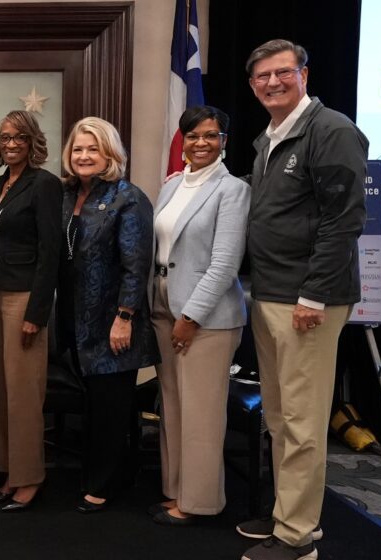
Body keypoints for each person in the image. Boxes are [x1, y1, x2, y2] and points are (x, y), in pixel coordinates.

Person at [236, 39, 367, 560]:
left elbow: (343, 220)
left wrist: (314, 295)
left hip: (307, 300)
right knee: (279, 417)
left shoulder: (331, 131)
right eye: (262, 76)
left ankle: (296, 538)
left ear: (304, 75)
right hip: (270, 293)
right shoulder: (268, 138)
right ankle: (288, 513)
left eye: (282, 72)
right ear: (252, 85)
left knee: (302, 421)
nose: (272, 82)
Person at [148, 106, 250, 526]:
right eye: (193, 136)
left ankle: (200, 501)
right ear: (183, 140)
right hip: (162, 308)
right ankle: (176, 489)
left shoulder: (232, 190)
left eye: (211, 135)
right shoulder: (173, 185)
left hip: (206, 319)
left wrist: (191, 316)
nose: (201, 143)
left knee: (202, 414)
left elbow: (225, 263)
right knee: (172, 406)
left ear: (224, 140)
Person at [57, 116, 159, 514]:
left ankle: (104, 484)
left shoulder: (127, 197)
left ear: (110, 154)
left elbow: (137, 264)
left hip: (112, 321)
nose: (84, 156)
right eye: (78, 148)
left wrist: (125, 316)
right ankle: (115, 472)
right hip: (76, 319)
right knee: (96, 405)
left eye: (93, 149)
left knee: (111, 407)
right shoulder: (67, 194)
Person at [0, 110, 62, 512]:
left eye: (19, 138)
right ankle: (8, 471)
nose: (11, 144)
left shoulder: (44, 184)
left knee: (24, 393)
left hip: (24, 299)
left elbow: (51, 252)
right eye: (5, 137)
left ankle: (30, 477)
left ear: (32, 142)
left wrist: (36, 313)